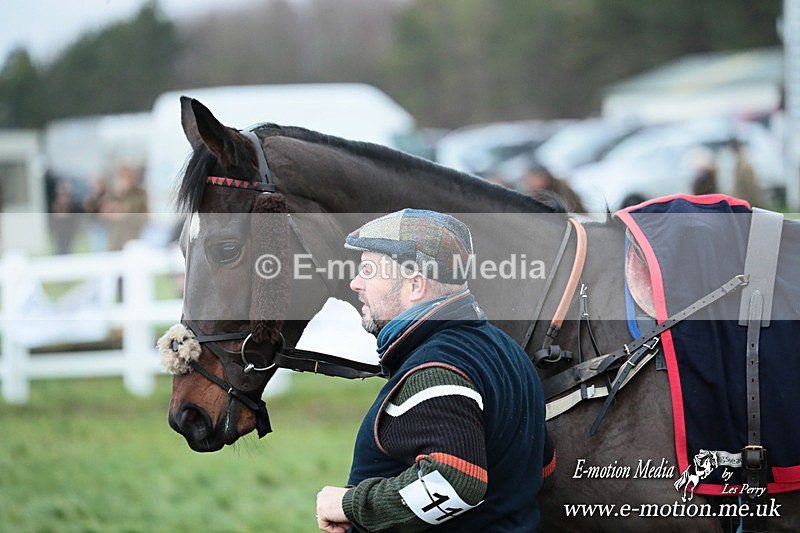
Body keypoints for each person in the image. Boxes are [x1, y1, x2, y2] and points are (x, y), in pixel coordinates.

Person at [316, 209, 546, 532]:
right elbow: (541, 466)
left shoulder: (435, 368)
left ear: (414, 285)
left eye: (368, 270)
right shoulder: (508, 351)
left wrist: (350, 505)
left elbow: (455, 482)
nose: (356, 283)